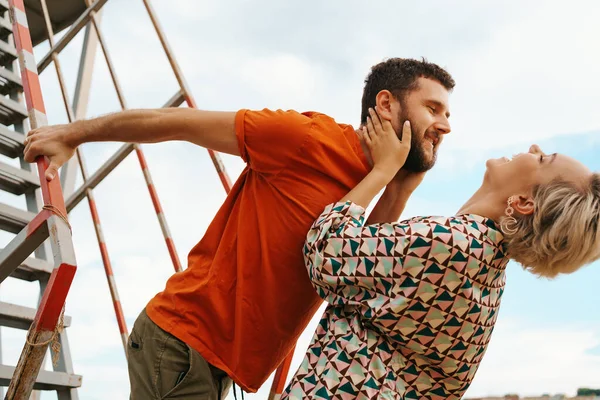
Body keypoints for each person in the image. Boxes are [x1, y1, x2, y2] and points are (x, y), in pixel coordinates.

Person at [23, 58, 455, 399]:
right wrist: (74, 135)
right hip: (182, 341)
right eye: (432, 108)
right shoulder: (306, 137)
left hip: (218, 366)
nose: (446, 125)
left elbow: (350, 265)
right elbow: (178, 123)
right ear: (385, 105)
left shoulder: (377, 182)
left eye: (448, 114)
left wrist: (401, 184)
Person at [282, 112, 600, 399]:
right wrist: (399, 190)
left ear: (524, 202)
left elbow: (326, 254)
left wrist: (383, 170)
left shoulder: (451, 244)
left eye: (543, 159)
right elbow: (361, 275)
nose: (533, 148)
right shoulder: (481, 265)